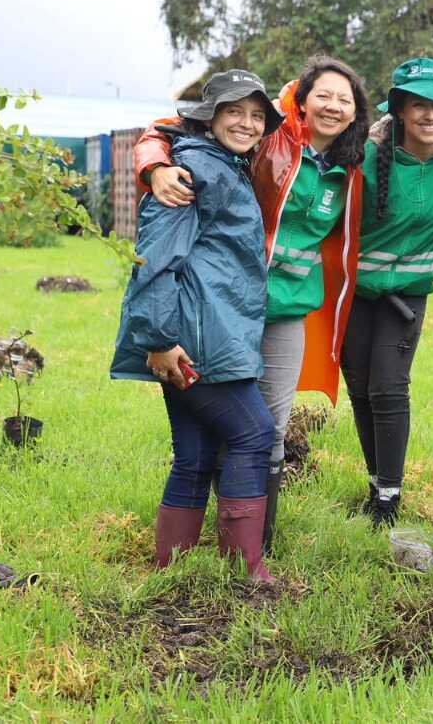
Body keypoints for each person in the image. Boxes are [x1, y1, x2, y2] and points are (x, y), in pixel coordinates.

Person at [134, 56, 368, 553]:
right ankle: (238, 551)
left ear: (356, 112)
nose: (333, 106)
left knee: (267, 430)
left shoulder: (352, 163)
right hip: (225, 307)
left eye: (344, 99)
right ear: (301, 102)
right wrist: (154, 168)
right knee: (245, 430)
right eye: (323, 95)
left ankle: (256, 539)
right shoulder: (267, 141)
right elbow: (165, 129)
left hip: (285, 307)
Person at [111, 70, 283, 583]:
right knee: (254, 434)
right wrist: (159, 339)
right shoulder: (194, 171)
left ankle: (172, 570)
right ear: (210, 118)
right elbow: (156, 259)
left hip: (205, 331)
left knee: (195, 454)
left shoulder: (224, 165)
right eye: (235, 112)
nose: (247, 123)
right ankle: (245, 569)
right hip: (197, 338)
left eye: (257, 115)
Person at [341, 57, 433, 527]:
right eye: (419, 105)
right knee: (360, 388)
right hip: (355, 291)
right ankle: (375, 482)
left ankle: (390, 497)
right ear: (399, 110)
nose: (431, 115)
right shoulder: (363, 153)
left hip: (408, 295)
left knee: (389, 387)